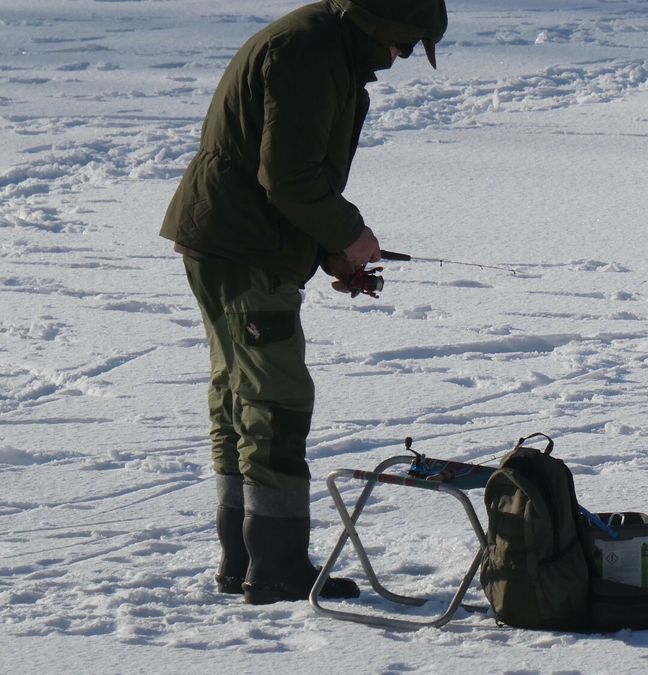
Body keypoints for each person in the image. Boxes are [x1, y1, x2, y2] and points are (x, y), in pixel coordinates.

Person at [160, 0, 448, 605]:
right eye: (404, 43)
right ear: (382, 23)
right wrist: (350, 234)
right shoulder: (311, 51)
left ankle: (245, 559)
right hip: (243, 247)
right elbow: (288, 176)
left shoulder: (321, 42)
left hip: (231, 239)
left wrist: (330, 252)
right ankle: (277, 567)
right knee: (276, 400)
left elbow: (283, 172)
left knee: (240, 394)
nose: (399, 58)